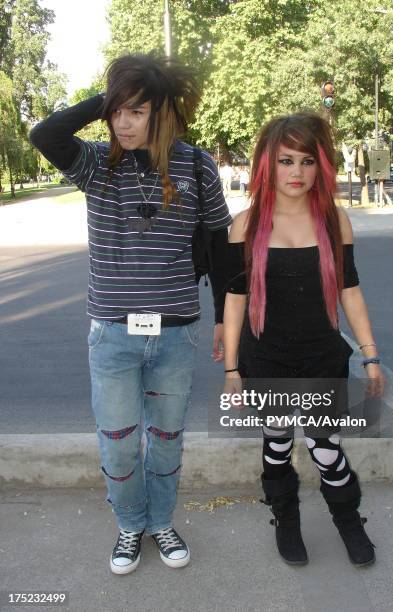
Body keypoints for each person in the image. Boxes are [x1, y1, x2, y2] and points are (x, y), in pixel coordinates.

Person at [30, 52, 231, 574]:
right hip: (113, 336)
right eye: (117, 111)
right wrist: (115, 94)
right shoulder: (98, 164)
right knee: (118, 445)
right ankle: (129, 526)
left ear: (161, 112)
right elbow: (45, 134)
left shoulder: (195, 165)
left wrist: (226, 320)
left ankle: (161, 521)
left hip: (173, 337)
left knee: (166, 442)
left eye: (136, 111)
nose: (122, 122)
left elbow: (220, 244)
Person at [223, 111, 384, 567]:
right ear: (267, 166)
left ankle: (350, 523)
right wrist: (232, 369)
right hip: (266, 358)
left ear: (322, 166)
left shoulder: (336, 220)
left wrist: (371, 356)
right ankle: (286, 521)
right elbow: (234, 302)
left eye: (307, 161)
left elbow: (350, 290)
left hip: (321, 357)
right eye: (286, 161)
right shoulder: (245, 225)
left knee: (326, 448)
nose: (297, 173)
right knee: (276, 445)